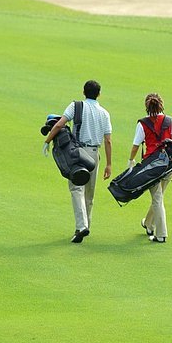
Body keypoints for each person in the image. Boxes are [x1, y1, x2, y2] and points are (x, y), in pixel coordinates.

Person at [43, 80, 112, 243]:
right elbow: (108, 140)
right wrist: (109, 164)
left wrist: (47, 141)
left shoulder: (76, 106)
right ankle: (85, 225)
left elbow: (60, 124)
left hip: (78, 153)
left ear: (83, 92)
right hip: (95, 154)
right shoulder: (104, 113)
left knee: (76, 189)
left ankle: (82, 227)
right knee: (89, 193)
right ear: (99, 94)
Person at [128, 93, 172, 243]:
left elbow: (136, 146)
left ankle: (161, 234)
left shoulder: (142, 124)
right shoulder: (170, 121)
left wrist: (130, 161)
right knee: (159, 197)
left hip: (152, 167)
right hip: (168, 164)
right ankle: (149, 224)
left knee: (157, 199)